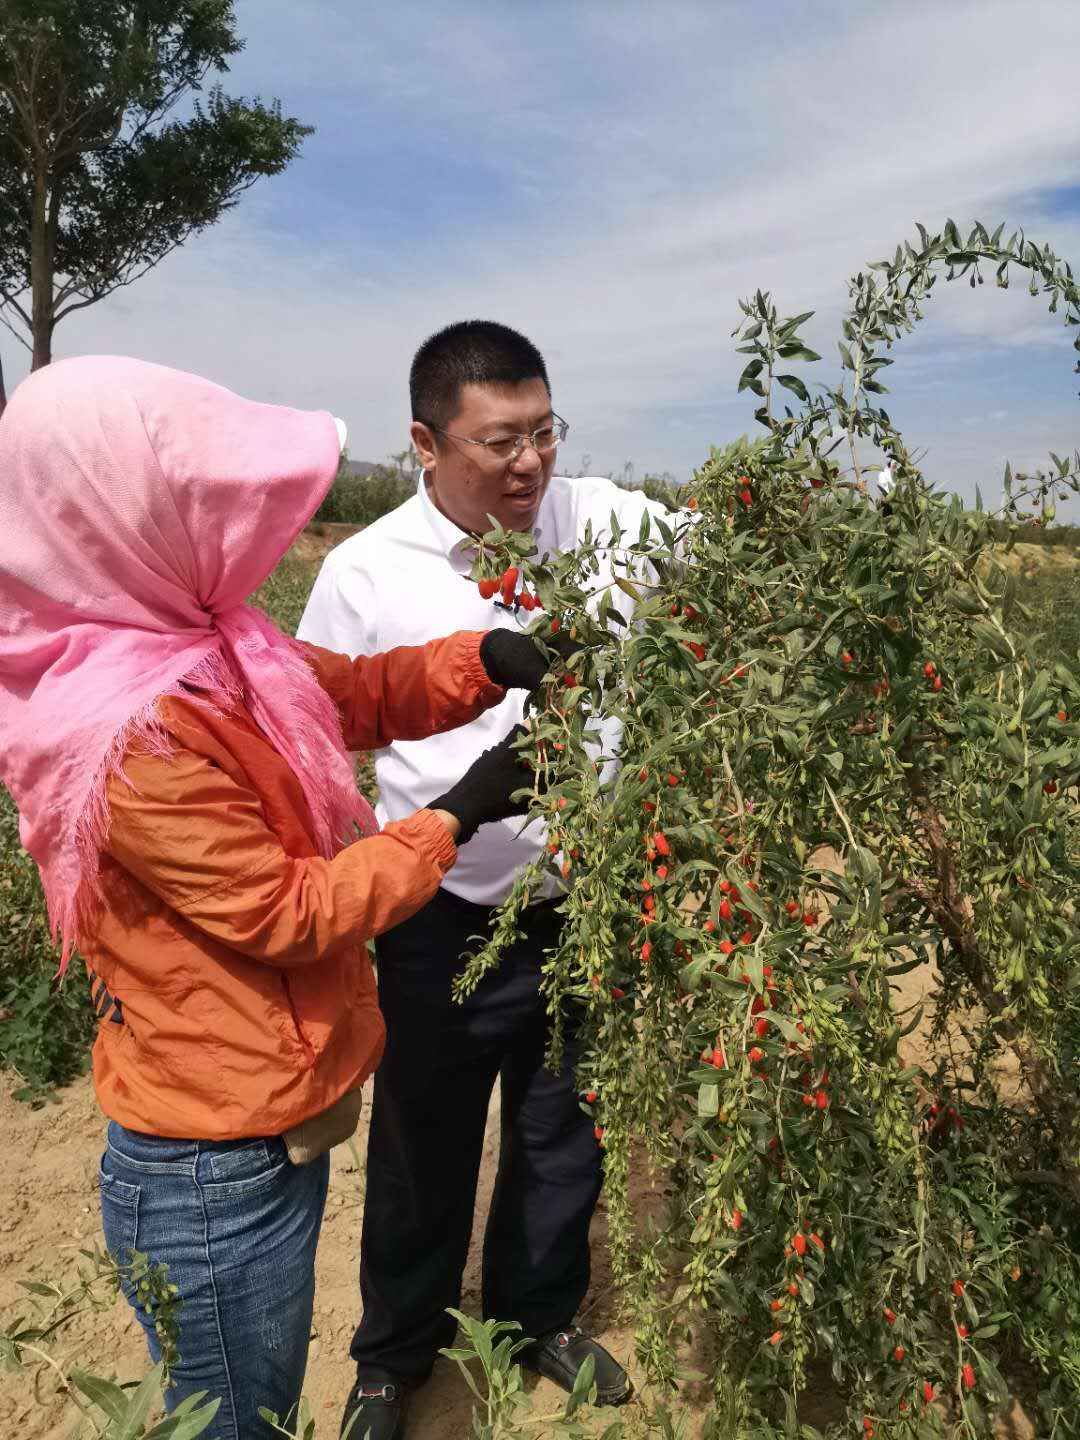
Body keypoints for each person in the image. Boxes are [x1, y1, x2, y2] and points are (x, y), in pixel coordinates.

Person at [0, 355, 573, 1439]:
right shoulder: (132, 733)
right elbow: (289, 912)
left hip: (261, 1110)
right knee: (238, 1417)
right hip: (210, 1156)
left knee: (250, 1398)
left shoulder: (210, 644)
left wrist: (484, 659)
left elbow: (352, 692)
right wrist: (457, 813)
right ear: (121, 523)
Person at [299, 320, 688, 1440]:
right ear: (426, 443)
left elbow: (732, 544)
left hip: (591, 900)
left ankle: (537, 1318)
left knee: (566, 1131)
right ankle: (395, 1355)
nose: (531, 463)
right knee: (423, 1143)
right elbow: (315, 738)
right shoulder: (366, 571)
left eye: (545, 432)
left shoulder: (603, 519)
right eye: (499, 441)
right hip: (442, 909)